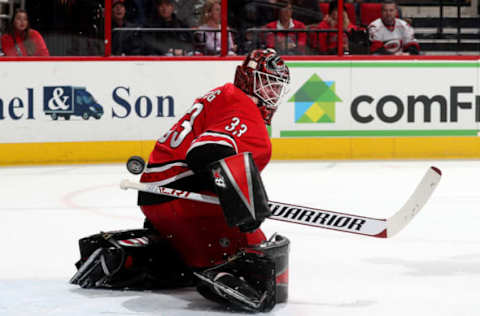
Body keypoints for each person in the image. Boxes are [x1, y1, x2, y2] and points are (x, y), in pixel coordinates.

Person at [70, 48, 291, 313]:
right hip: (184, 202)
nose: (272, 95)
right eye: (266, 85)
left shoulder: (222, 95)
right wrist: (243, 203)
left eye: (277, 88)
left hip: (156, 197)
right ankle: (220, 271)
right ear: (247, 79)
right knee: (259, 251)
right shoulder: (244, 107)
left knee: (184, 259)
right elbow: (206, 151)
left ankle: (141, 254)